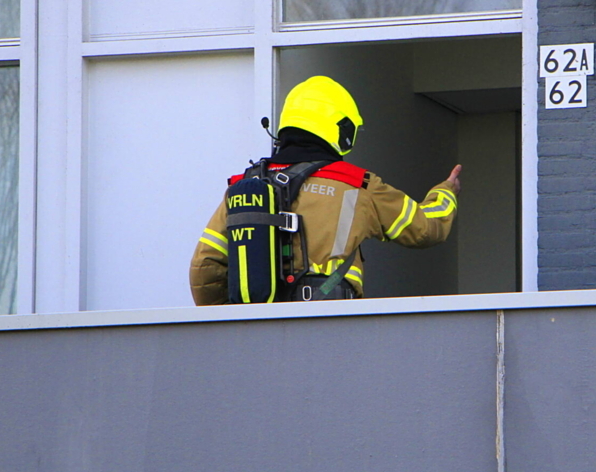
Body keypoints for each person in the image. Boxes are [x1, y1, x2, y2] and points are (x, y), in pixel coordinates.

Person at [190, 75, 462, 304]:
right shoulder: (357, 185)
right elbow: (426, 229)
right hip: (332, 323)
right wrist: (446, 191)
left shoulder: (244, 188)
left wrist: (232, 325)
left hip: (259, 331)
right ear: (342, 129)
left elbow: (205, 268)